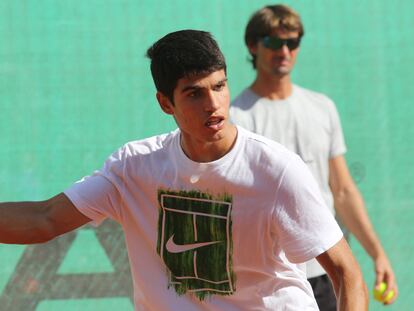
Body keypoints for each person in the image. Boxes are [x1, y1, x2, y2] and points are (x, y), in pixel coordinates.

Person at [0, 29, 368, 310]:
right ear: (165, 103)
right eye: (194, 93)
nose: (213, 104)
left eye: (220, 86)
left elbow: (346, 273)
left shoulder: (276, 170)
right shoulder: (133, 168)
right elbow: (43, 219)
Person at [230, 4, 398, 310]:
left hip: (325, 272)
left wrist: (377, 254)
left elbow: (343, 191)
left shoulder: (322, 108)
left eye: (292, 43)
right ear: (253, 46)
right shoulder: (235, 117)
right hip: (272, 280)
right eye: (273, 42)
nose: (284, 50)